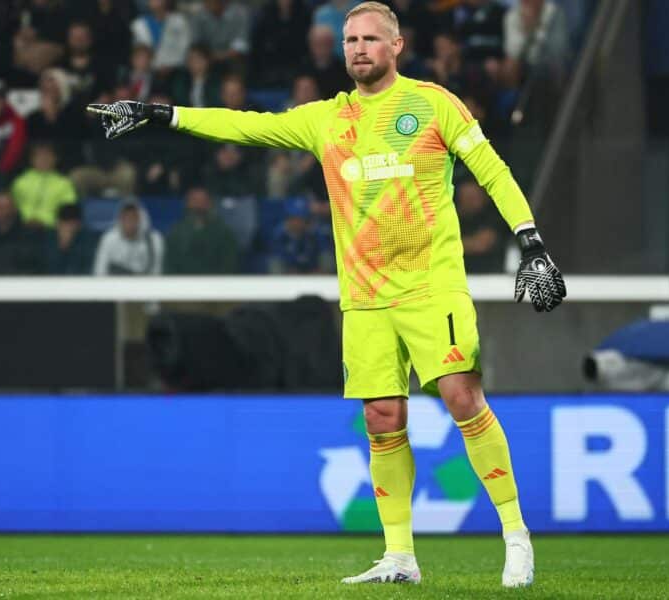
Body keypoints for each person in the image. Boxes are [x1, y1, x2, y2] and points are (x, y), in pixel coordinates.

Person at [87, 1, 565, 588]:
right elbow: (246, 125)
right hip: (363, 296)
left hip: (430, 285)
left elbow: (491, 170)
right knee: (381, 416)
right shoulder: (325, 120)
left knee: (463, 398)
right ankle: (400, 556)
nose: (358, 48)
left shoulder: (433, 104)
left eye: (370, 38)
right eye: (350, 40)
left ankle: (516, 536)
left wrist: (530, 239)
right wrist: (165, 114)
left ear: (396, 47)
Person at [163, 187, 238, 274]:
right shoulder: (175, 233)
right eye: (194, 201)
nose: (198, 205)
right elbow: (170, 266)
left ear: (210, 204)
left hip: (215, 284)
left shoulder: (225, 234)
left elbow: (228, 266)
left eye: (202, 201)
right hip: (183, 284)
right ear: (187, 204)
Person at [9, 143, 78, 229]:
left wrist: (48, 222)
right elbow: (12, 208)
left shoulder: (64, 184)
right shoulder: (20, 181)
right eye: (39, 156)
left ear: (55, 159)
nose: (43, 159)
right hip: (21, 227)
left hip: (51, 229)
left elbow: (68, 211)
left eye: (47, 155)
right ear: (32, 159)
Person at [93, 198, 165, 275]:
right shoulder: (109, 239)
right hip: (115, 285)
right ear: (119, 219)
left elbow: (157, 272)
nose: (129, 222)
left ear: (141, 219)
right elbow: (99, 271)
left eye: (133, 217)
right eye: (125, 217)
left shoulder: (154, 240)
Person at [44, 203, 97, 274]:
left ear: (79, 225)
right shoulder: (48, 238)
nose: (67, 228)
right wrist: (62, 245)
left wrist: (68, 244)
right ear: (57, 223)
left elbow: (86, 268)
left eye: (71, 225)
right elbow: (45, 267)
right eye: (64, 224)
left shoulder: (87, 240)